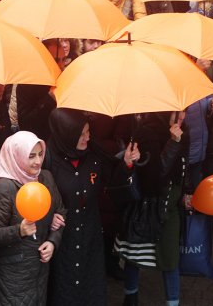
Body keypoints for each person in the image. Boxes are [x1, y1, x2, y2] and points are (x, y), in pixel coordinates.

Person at [45, 108, 139, 305]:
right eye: (81, 133)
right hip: (63, 238)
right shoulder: (47, 159)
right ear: (67, 133)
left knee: (90, 289)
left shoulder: (94, 156)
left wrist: (127, 165)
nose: (87, 138)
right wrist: (48, 216)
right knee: (63, 289)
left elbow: (113, 185)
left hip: (90, 235)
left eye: (88, 132)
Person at [116, 111, 189, 306]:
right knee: (136, 254)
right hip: (147, 205)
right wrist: (173, 143)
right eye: (178, 116)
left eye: (184, 116)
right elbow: (154, 177)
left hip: (170, 206)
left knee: (170, 258)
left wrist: (186, 191)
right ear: (167, 112)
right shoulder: (146, 133)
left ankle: (172, 303)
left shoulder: (182, 131)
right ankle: (130, 297)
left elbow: (182, 168)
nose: (181, 120)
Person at [0, 131, 66, 305]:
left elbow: (60, 213)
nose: (38, 161)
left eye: (40, 154)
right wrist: (19, 230)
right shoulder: (3, 187)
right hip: (10, 277)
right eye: (31, 156)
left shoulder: (45, 178)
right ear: (16, 156)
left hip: (39, 273)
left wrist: (53, 241)